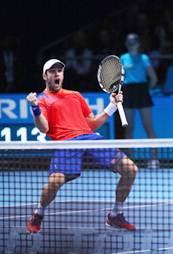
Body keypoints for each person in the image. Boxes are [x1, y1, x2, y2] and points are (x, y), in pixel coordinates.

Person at [25, 59, 138, 233]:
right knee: (55, 181)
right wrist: (35, 108)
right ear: (45, 75)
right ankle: (38, 214)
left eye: (59, 71)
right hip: (65, 142)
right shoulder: (41, 100)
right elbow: (44, 128)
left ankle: (116, 214)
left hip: (90, 138)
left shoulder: (75, 96)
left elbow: (91, 124)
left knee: (130, 169)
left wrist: (112, 106)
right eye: (52, 71)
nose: (57, 74)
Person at [119, 33, 159, 169]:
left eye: (134, 42)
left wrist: (146, 90)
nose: (132, 45)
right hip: (128, 92)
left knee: (148, 127)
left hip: (142, 91)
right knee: (129, 128)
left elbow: (153, 79)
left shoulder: (144, 58)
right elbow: (119, 79)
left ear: (138, 43)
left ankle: (154, 159)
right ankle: (129, 160)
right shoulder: (123, 58)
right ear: (126, 44)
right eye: (129, 42)